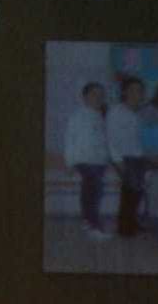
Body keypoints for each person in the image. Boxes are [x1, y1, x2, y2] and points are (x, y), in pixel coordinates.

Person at [63, 81, 111, 239]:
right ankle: (94, 227)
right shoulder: (77, 116)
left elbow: (103, 141)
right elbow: (70, 140)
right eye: (94, 94)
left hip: (99, 162)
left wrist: (106, 159)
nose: (98, 97)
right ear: (85, 97)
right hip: (85, 161)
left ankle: (87, 221)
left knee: (90, 192)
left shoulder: (99, 115)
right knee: (94, 193)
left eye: (101, 94)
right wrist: (69, 163)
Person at [106, 76, 148, 237]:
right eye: (132, 89)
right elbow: (111, 138)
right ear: (124, 91)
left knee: (136, 194)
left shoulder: (138, 113)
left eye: (139, 90)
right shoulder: (117, 111)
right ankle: (125, 229)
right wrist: (117, 161)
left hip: (139, 158)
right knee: (129, 195)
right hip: (125, 159)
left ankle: (132, 224)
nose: (136, 93)